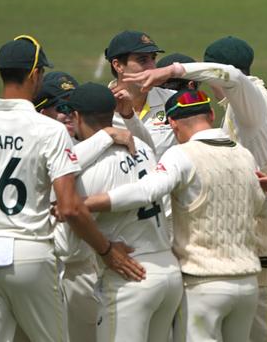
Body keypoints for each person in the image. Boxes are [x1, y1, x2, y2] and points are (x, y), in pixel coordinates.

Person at [0, 35, 144, 342]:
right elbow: (70, 207)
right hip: (31, 254)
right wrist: (106, 251)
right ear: (35, 74)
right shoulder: (49, 130)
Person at [123, 36, 267, 342]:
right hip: (246, 252)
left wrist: (171, 71)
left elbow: (232, 77)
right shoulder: (240, 108)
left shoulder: (253, 101)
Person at [84, 88, 267, 342]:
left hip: (203, 285)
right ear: (211, 114)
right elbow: (264, 207)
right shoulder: (244, 154)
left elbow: (148, 190)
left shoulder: (181, 154)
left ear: (172, 122)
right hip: (248, 284)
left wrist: (91, 202)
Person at [58, 82, 182, 342]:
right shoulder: (144, 149)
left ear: (77, 117)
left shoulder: (87, 171)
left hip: (130, 279)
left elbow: (67, 248)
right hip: (169, 274)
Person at [105, 30, 176, 157]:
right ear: (118, 65)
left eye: (153, 58)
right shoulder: (98, 106)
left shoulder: (173, 100)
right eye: (142, 60)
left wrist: (178, 70)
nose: (152, 67)